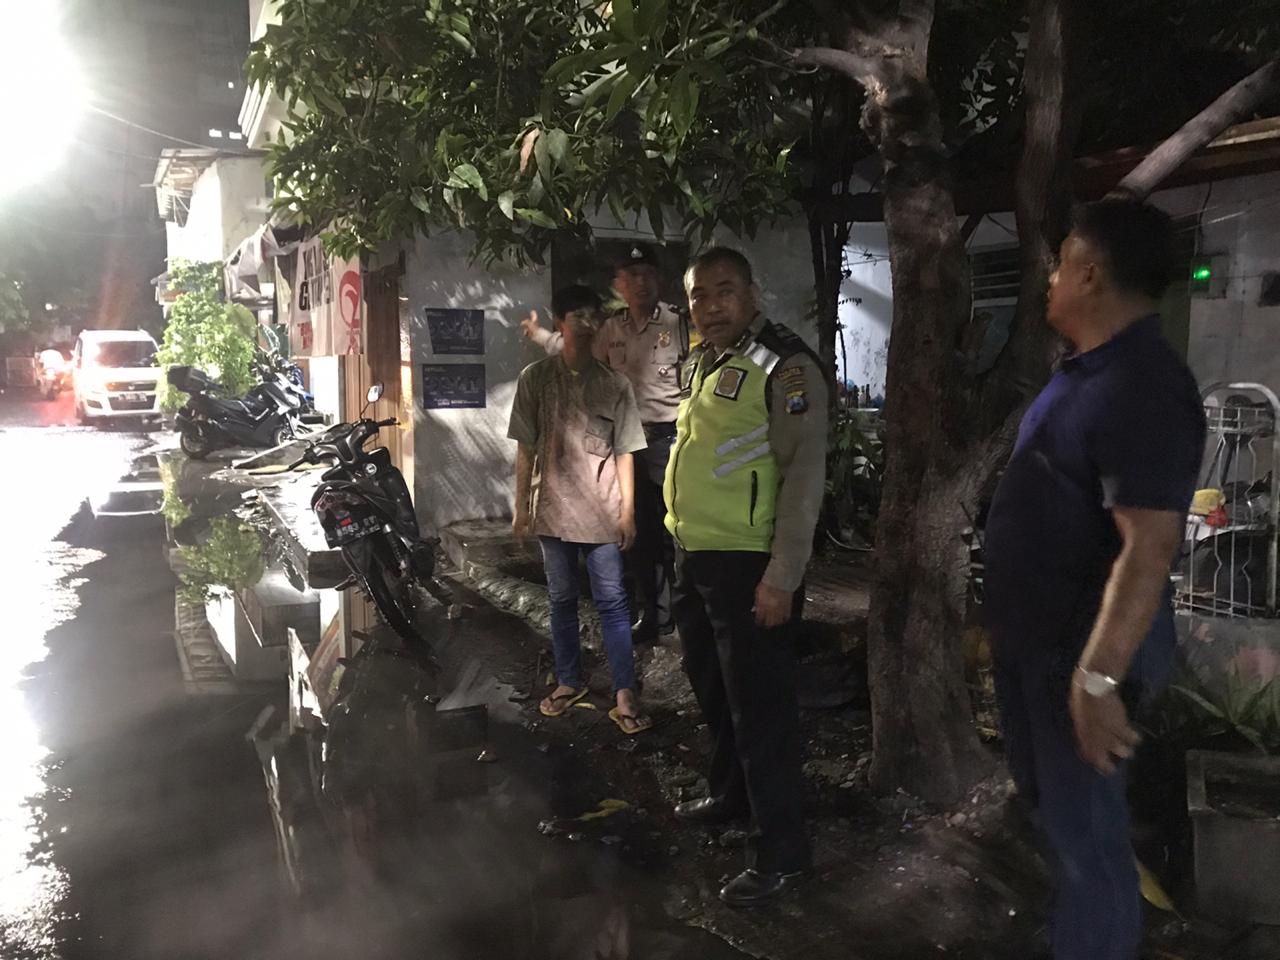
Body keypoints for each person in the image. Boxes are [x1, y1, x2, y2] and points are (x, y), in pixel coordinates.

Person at [983, 198, 1205, 960]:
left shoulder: (1143, 384)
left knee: (1088, 840)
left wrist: (1099, 679)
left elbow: (1149, 546)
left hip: (1080, 654)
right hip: (1039, 644)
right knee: (1061, 824)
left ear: (1090, 272)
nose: (1049, 278)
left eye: (1059, 263)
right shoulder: (1086, 373)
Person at [663, 247, 827, 907]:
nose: (710, 306)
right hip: (695, 555)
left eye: (724, 290)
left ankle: (783, 854)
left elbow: (804, 477)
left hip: (750, 564)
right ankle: (731, 796)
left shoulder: (786, 366)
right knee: (714, 691)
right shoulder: (707, 359)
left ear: (752, 292)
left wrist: (782, 576)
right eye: (699, 296)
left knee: (762, 712)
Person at [521, 243, 690, 644]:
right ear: (619, 284)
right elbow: (573, 347)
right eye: (631, 276)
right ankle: (653, 614)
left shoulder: (680, 323)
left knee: (679, 534)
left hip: (669, 443)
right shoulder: (610, 328)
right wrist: (539, 334)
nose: (640, 283)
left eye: (647, 274)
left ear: (659, 280)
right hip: (623, 447)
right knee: (637, 535)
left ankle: (684, 615)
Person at [508, 284, 654, 735]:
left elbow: (626, 451)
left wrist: (627, 513)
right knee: (561, 599)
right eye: (578, 316)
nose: (588, 324)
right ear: (560, 323)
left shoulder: (615, 384)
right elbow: (525, 447)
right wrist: (520, 507)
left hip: (602, 511)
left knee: (612, 601)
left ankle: (624, 691)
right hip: (552, 509)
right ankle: (569, 680)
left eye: (594, 316)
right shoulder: (536, 379)